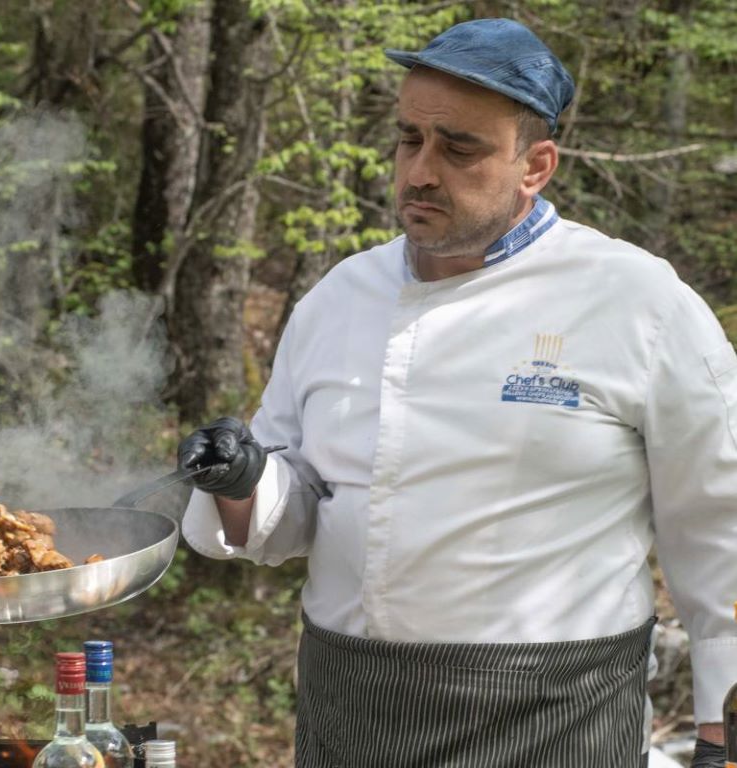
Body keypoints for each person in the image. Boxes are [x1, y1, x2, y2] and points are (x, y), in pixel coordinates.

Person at [176, 17, 737, 768]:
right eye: (409, 139)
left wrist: (721, 729)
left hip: (560, 716)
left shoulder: (638, 302)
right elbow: (300, 512)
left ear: (535, 165)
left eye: (458, 148)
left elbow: (719, 523)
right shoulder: (339, 299)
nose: (419, 172)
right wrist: (243, 481)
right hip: (355, 709)